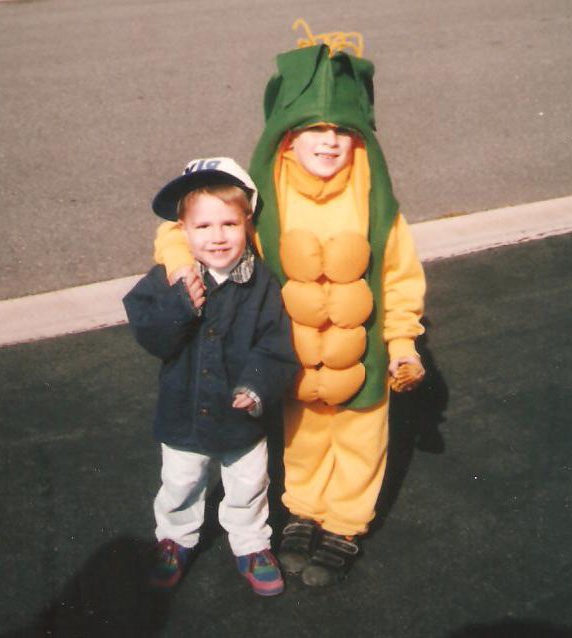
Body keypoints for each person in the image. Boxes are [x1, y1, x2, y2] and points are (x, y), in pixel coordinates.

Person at [153, 41, 427, 587]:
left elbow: (399, 276)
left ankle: (344, 522)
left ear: (360, 140)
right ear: (288, 137)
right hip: (292, 352)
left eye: (342, 131)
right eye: (314, 128)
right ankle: (303, 509)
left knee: (359, 438)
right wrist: (181, 262)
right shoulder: (263, 196)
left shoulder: (376, 200)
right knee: (301, 434)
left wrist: (402, 344)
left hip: (361, 354)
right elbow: (181, 227)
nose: (329, 140)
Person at [123, 157, 299, 596]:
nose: (217, 237)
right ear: (182, 231)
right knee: (180, 481)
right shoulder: (169, 280)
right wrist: (181, 305)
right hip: (183, 410)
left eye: (229, 224)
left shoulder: (261, 282)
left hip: (241, 416)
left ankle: (252, 543)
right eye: (203, 227)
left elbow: (276, 343)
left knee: (248, 483)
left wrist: (256, 385)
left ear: (247, 226)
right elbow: (151, 336)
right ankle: (175, 538)